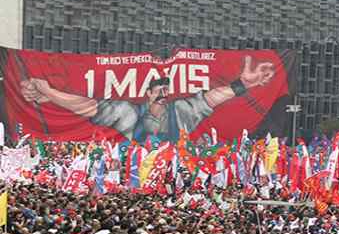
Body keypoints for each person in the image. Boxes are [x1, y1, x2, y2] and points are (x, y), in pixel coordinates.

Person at [20, 56, 276, 141]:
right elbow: (87, 106)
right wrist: (51, 93)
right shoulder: (129, 114)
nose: (163, 96)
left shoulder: (182, 111)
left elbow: (211, 98)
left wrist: (242, 84)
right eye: (158, 92)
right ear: (147, 95)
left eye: (167, 92)